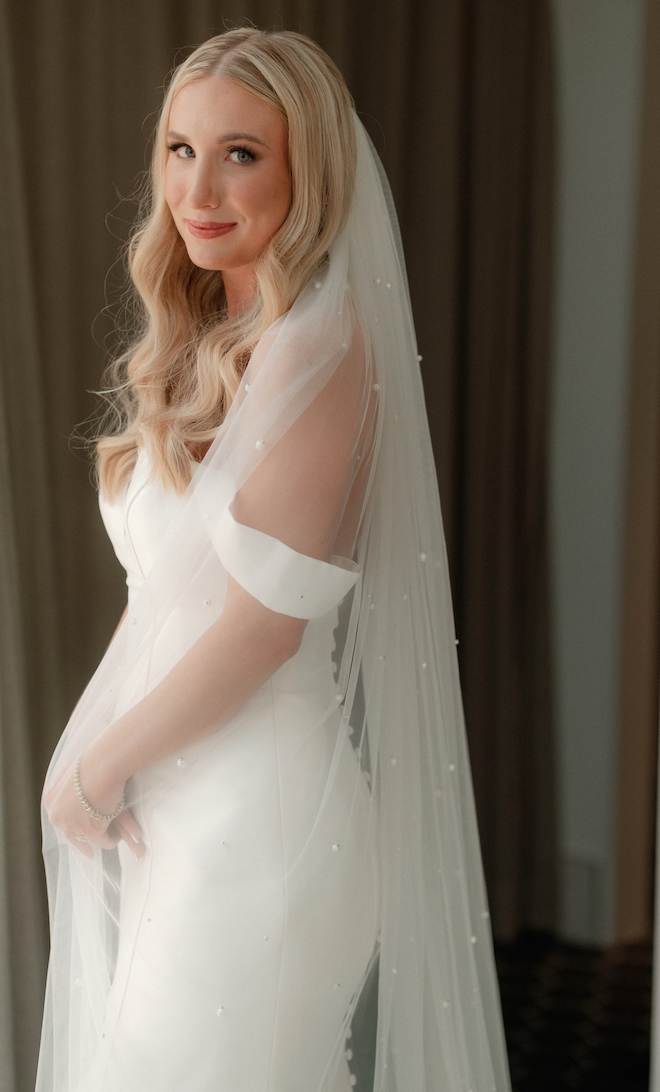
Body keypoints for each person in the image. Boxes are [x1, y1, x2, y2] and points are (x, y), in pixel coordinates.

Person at [37, 27, 512, 1092]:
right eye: (180, 148)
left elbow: (262, 625)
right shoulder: (218, 336)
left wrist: (101, 766)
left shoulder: (319, 344)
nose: (199, 186)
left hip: (260, 824)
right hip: (185, 804)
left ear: (308, 171)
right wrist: (97, 757)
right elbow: (163, 598)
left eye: (242, 153)